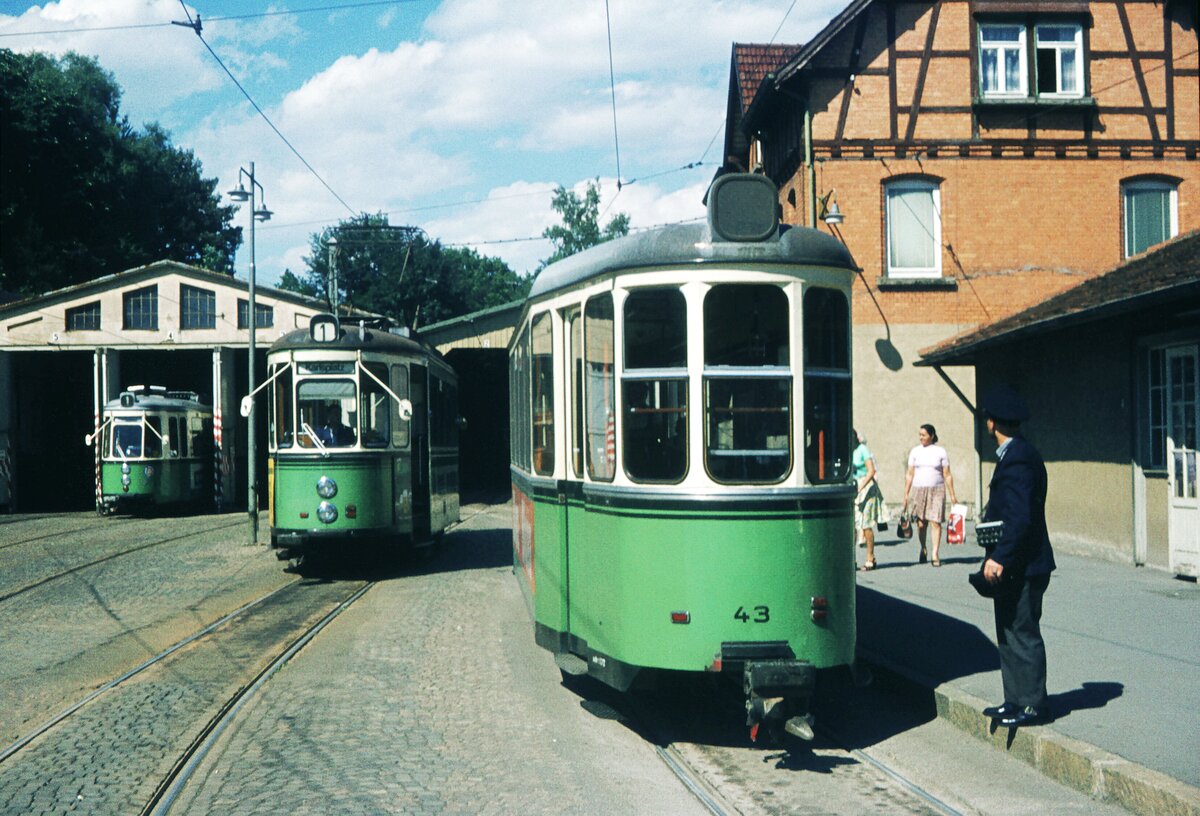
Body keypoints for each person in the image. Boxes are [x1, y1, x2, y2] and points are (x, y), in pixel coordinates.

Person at [979, 386, 1056, 728]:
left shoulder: (1019, 458)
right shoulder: (1016, 455)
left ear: (992, 423)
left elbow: (1021, 517)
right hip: (1015, 563)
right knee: (1007, 632)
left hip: (1024, 564)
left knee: (1023, 632)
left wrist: (1000, 558)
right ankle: (1014, 700)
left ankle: (1034, 705)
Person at [902, 423, 958, 567]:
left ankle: (935, 554)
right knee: (921, 524)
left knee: (935, 522)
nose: (921, 437)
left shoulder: (940, 451)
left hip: (937, 490)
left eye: (924, 435)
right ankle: (923, 548)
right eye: (919, 435)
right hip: (919, 489)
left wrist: (953, 495)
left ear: (932, 436)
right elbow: (909, 474)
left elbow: (947, 474)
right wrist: (906, 494)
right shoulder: (915, 451)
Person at [852, 429, 885, 570]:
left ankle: (870, 557)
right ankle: (851, 559)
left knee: (866, 524)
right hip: (853, 486)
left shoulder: (862, 449)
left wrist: (861, 487)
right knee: (852, 526)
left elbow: (871, 470)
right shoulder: (846, 450)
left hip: (866, 487)